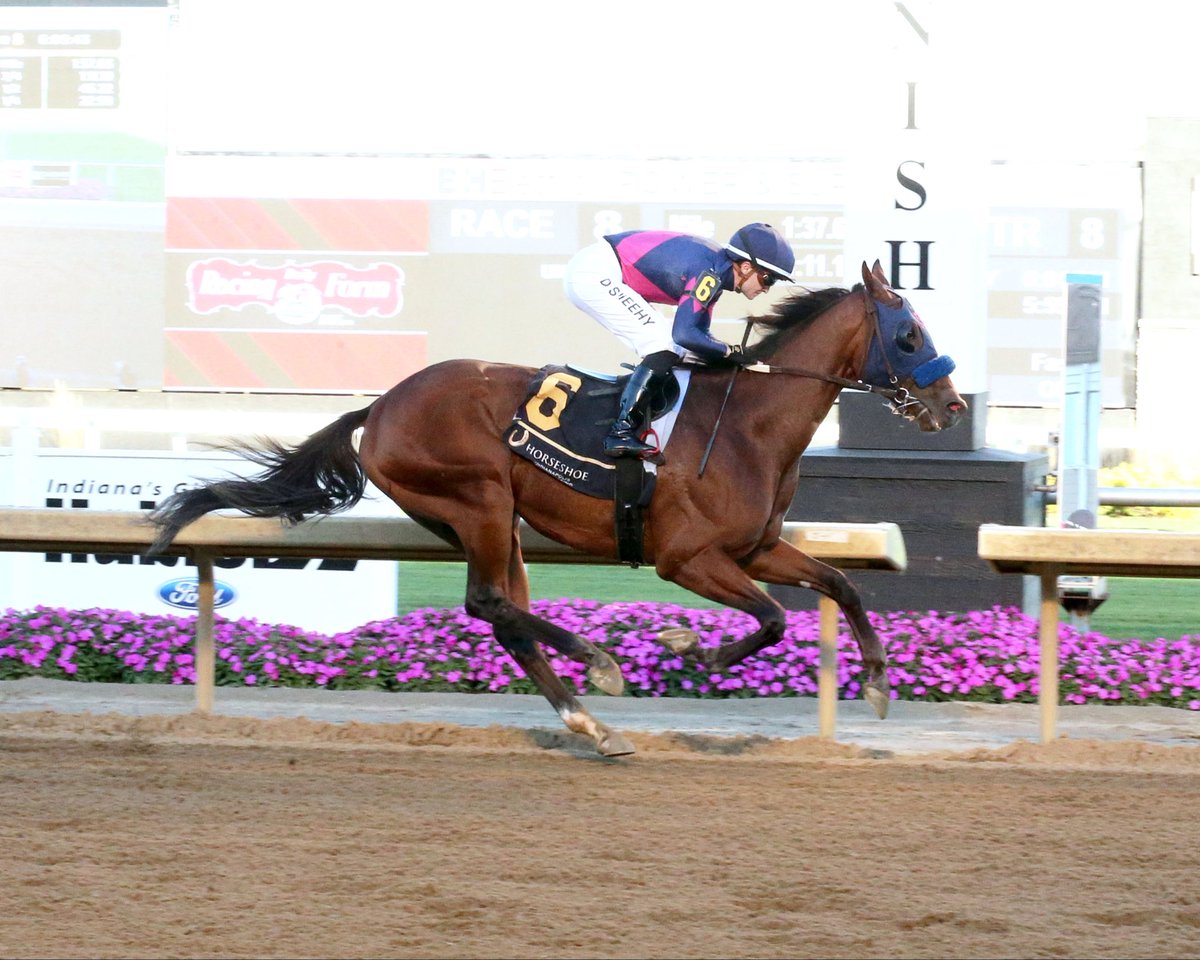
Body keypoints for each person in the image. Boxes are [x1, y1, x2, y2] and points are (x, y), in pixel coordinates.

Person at [563, 222, 796, 458]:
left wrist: (730, 354)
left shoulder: (715, 273)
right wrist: (729, 351)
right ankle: (620, 432)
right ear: (746, 267)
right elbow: (684, 334)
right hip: (595, 273)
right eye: (769, 279)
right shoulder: (710, 273)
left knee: (675, 349)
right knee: (663, 345)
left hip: (600, 269)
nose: (767, 289)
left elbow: (695, 338)